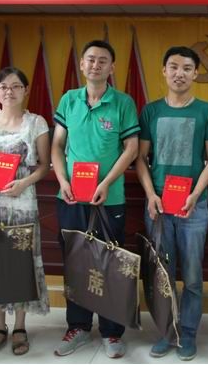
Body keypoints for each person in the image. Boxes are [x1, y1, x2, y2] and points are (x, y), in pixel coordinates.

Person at [51, 39, 140, 358]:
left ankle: (112, 332)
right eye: (90, 59)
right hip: (71, 197)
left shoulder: (123, 102)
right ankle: (77, 326)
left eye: (103, 60)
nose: (95, 65)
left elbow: (131, 148)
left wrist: (106, 182)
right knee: (75, 262)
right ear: (82, 64)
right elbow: (57, 145)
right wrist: (63, 180)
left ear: (112, 67)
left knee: (109, 263)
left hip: (109, 197)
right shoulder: (69, 100)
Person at [136, 46, 208, 361]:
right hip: (158, 206)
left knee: (193, 275)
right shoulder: (151, 111)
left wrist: (195, 194)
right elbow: (140, 158)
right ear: (164, 71)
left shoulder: (207, 111)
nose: (179, 73)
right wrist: (150, 194)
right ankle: (165, 332)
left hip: (193, 207)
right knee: (163, 273)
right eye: (173, 67)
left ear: (196, 73)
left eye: (187, 68)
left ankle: (188, 334)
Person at [0, 67, 51, 356]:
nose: (9, 91)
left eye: (15, 86)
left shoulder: (36, 123)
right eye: (3, 86)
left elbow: (44, 165)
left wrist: (24, 183)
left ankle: (20, 327)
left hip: (21, 203)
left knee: (20, 263)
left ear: (25, 90)